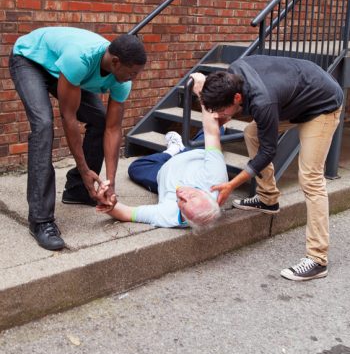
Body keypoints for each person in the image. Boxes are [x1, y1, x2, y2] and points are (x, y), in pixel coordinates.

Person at [199, 55, 343, 281]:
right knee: (251, 132)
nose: (221, 117)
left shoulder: (262, 101)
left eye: (223, 112)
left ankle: (317, 259)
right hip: (296, 98)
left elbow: (268, 151)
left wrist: (232, 184)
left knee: (311, 178)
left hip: (322, 105)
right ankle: (268, 198)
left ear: (237, 97)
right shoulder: (233, 72)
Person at [9, 26, 147, 251]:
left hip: (62, 70)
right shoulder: (81, 58)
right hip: (30, 60)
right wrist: (84, 169)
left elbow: (113, 128)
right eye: (132, 72)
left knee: (101, 120)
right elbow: (69, 117)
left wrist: (109, 183)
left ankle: (78, 191)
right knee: (43, 125)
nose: (134, 78)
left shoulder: (122, 79)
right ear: (115, 62)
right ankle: (41, 220)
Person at [96, 73, 228, 230]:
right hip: (195, 155)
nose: (182, 195)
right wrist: (202, 92)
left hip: (162, 173)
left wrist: (109, 204)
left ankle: (172, 150)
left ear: (184, 218)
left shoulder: (169, 216)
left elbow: (126, 213)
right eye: (192, 196)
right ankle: (180, 148)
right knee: (219, 127)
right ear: (208, 196)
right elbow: (211, 132)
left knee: (135, 168)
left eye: (182, 204)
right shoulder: (215, 179)